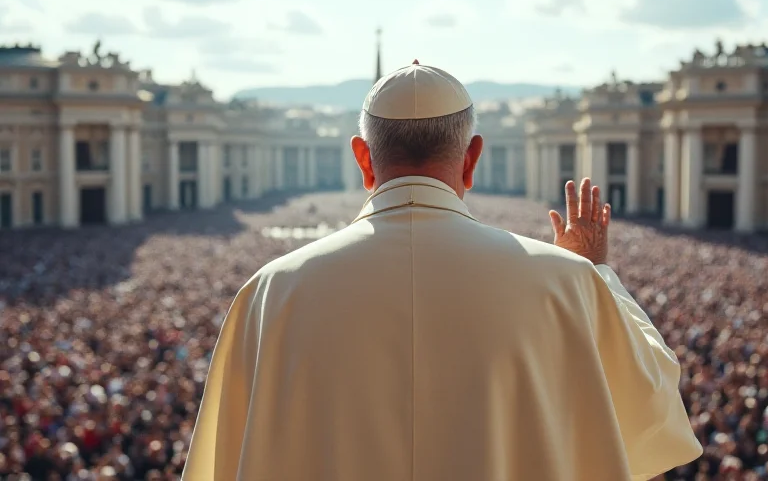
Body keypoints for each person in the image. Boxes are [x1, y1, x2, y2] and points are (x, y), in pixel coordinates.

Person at [182, 62, 703, 481]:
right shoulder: (567, 282)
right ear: (472, 158)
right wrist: (595, 275)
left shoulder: (270, 290)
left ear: (362, 159)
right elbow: (655, 410)